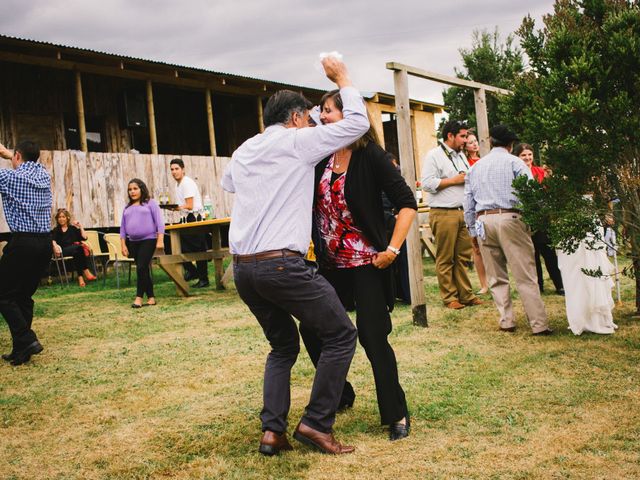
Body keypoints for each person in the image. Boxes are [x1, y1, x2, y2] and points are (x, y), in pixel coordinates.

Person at [221, 56, 368, 455]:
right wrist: (343, 79)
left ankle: (272, 432)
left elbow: (228, 181)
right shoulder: (297, 141)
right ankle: (317, 424)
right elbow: (357, 124)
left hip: (244, 269)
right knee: (341, 334)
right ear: (298, 117)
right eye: (310, 118)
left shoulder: (246, 149)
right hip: (281, 263)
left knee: (283, 346)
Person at [299, 88, 416, 441]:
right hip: (330, 266)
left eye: (329, 111)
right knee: (311, 329)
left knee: (372, 336)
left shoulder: (371, 156)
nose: (323, 117)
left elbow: (406, 203)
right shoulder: (320, 158)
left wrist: (392, 250)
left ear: (350, 115)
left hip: (367, 263)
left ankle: (396, 414)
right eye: (320, 112)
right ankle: (341, 393)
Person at [463, 125, 551, 335]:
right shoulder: (516, 163)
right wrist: (534, 221)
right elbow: (530, 194)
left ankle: (507, 320)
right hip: (511, 217)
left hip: (484, 220)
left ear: (491, 142)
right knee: (525, 274)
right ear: (511, 145)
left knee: (496, 276)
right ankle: (538, 324)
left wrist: (472, 232)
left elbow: (468, 202)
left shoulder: (475, 167)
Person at [0, 141, 52, 365]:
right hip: (45, 244)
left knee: (3, 294)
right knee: (23, 296)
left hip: (23, 243)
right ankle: (22, 350)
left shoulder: (9, 178)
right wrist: (7, 153)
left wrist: (7, 155)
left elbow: (16, 166)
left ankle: (26, 338)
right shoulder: (44, 175)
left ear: (17, 156)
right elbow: (26, 160)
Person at [421, 120, 482, 309]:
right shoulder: (434, 155)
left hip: (462, 212)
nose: (465, 140)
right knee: (445, 257)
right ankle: (449, 298)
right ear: (450, 136)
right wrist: (453, 180)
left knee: (463, 257)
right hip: (443, 212)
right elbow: (427, 183)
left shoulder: (460, 156)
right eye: (462, 136)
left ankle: (466, 294)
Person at [513, 143, 564, 295]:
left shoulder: (540, 172)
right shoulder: (514, 172)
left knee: (548, 251)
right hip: (523, 216)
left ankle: (559, 284)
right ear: (517, 157)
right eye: (523, 155)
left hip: (542, 216)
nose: (527, 158)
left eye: (529, 154)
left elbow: (550, 192)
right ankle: (538, 285)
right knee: (531, 254)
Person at [556, 222, 617, 335]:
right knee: (575, 275)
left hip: (588, 228)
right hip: (569, 227)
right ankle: (582, 317)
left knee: (592, 270)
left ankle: (596, 319)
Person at [119, 179, 165, 308]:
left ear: (141, 189)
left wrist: (160, 240)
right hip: (133, 242)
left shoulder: (150, 204)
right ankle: (151, 297)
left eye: (135, 188)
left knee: (140, 268)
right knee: (143, 269)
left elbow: (160, 223)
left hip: (148, 240)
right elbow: (122, 228)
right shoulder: (127, 208)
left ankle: (138, 298)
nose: (132, 192)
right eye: (130, 189)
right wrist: (123, 245)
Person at [169, 159, 209, 288]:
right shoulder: (177, 185)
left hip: (195, 217)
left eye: (176, 169)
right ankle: (194, 272)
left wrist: (176, 208)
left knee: (198, 248)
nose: (174, 172)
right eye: (172, 169)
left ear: (183, 169)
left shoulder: (187, 183)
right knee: (175, 245)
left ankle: (202, 278)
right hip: (186, 217)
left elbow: (190, 205)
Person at [463, 131, 488, 294]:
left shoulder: (485, 161)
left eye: (475, 141)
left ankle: (493, 280)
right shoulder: (466, 163)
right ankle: (484, 284)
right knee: (476, 248)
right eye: (470, 142)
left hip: (486, 204)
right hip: (472, 206)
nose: (474, 144)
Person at [51, 208, 97, 287]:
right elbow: (53, 240)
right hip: (62, 250)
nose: (61, 219)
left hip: (74, 250)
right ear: (57, 219)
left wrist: (80, 226)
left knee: (77, 252)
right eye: (59, 217)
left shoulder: (72, 228)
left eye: (63, 217)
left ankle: (80, 278)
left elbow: (85, 237)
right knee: (78, 248)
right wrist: (55, 246)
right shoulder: (56, 230)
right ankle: (86, 271)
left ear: (67, 218)